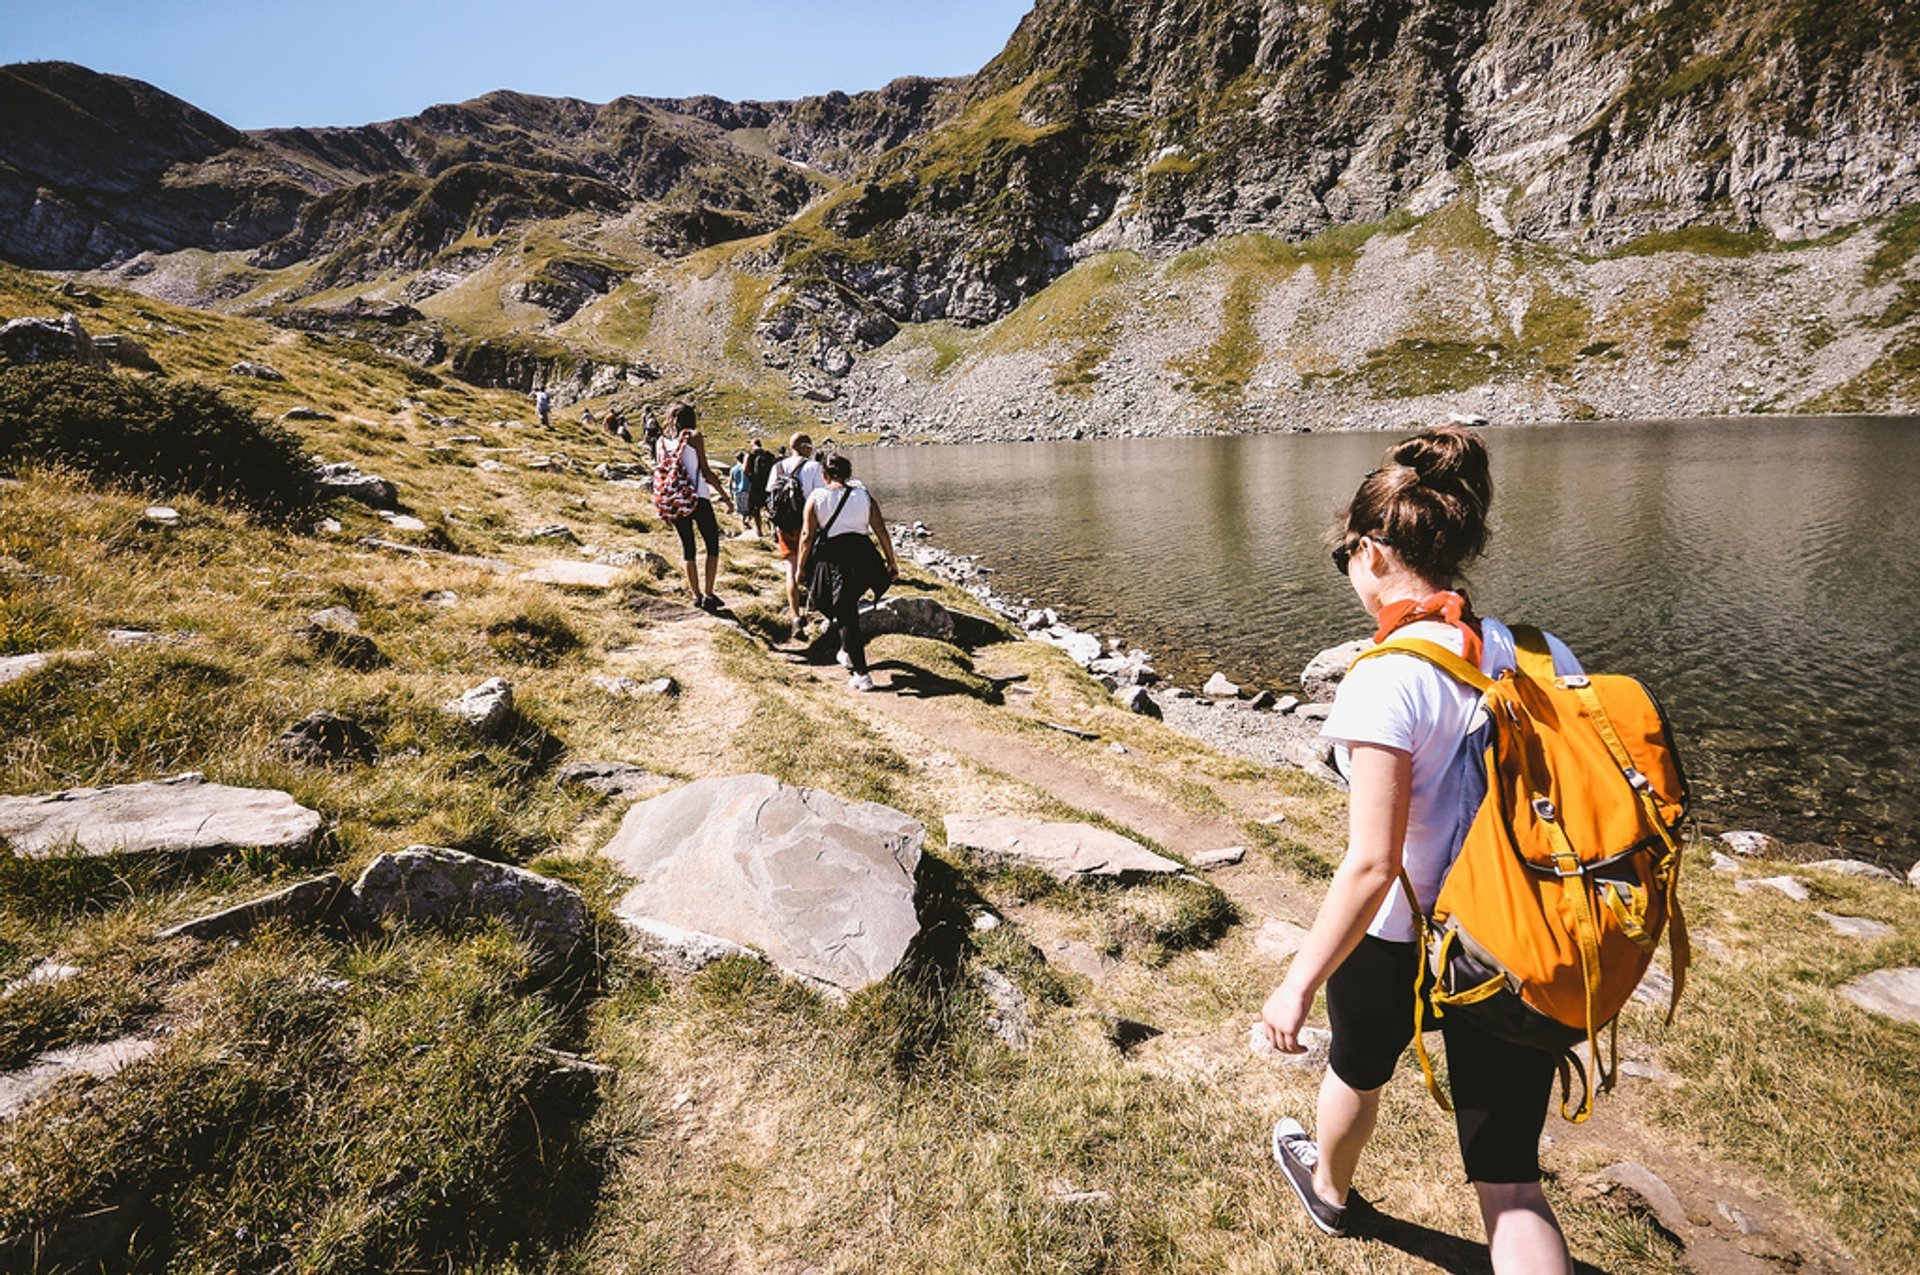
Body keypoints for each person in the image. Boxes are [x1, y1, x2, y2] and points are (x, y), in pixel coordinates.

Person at [1259, 425, 1581, 1275]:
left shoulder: (1384, 675)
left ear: (1370, 552)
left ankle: (1329, 1191)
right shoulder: (1531, 650)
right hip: (1510, 936)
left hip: (1403, 935)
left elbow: (1372, 864)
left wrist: (1296, 984)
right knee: (1510, 1179)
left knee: (1358, 1069)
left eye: (1346, 560)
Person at [794, 451, 897, 692]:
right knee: (845, 608)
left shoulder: (817, 497)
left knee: (841, 610)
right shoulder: (863, 495)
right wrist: (891, 562)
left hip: (834, 559)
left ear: (825, 474)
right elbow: (881, 530)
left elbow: (807, 537)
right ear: (848, 474)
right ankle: (848, 650)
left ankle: (862, 675)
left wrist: (800, 568)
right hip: (864, 557)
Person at [654, 400, 733, 611]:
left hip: (675, 501)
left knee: (688, 548)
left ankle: (696, 595)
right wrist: (725, 496)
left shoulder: (660, 442)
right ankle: (708, 593)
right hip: (698, 497)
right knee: (711, 544)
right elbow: (706, 472)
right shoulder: (694, 437)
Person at [769, 432, 826, 641]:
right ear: (804, 446)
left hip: (784, 526)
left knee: (790, 569)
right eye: (809, 445)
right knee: (811, 566)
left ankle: (795, 616)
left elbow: (771, 495)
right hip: (807, 525)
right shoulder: (813, 467)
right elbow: (821, 496)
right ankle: (815, 609)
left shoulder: (777, 467)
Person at [743, 438, 776, 538]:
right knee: (770, 507)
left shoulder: (749, 454)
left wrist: (751, 478)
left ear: (752, 444)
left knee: (756, 509)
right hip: (767, 484)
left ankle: (759, 531)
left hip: (755, 485)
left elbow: (745, 470)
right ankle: (774, 531)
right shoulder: (768, 454)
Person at [729, 450, 752, 536]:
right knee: (749, 509)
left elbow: (730, 482)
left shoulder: (733, 469)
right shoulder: (747, 467)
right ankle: (747, 522)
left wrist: (730, 493)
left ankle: (743, 524)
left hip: (737, 491)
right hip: (747, 490)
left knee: (740, 510)